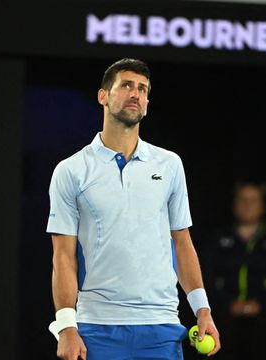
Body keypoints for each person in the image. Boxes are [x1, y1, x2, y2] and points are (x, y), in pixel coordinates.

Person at [46, 58, 220, 360]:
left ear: (147, 103)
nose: (135, 94)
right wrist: (66, 326)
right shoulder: (71, 171)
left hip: (161, 325)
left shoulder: (170, 165)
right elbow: (63, 256)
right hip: (97, 327)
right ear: (103, 96)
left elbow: (182, 243)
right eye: (126, 85)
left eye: (142, 89)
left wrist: (202, 310)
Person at [205, 181, 266, 360]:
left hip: (264, 318)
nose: (247, 206)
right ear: (234, 204)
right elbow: (205, 277)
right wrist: (228, 303)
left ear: (263, 206)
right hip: (224, 316)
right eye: (242, 200)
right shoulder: (218, 240)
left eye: (253, 200)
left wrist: (260, 304)